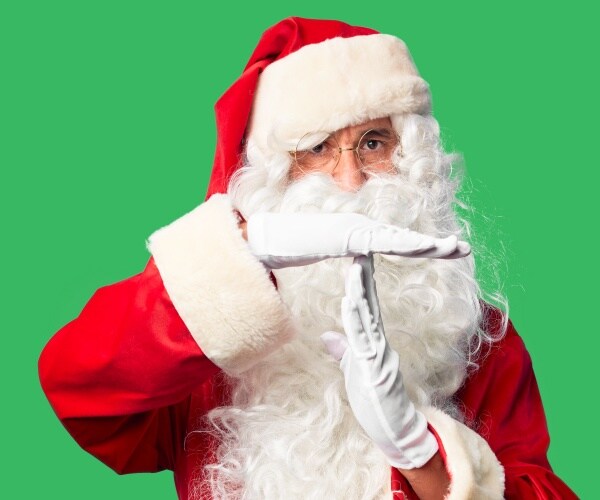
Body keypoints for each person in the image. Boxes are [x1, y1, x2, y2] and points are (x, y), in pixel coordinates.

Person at [39, 17, 577, 499]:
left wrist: (420, 454)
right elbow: (84, 394)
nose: (349, 180)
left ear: (413, 157)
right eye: (316, 147)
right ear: (272, 172)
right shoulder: (205, 341)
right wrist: (238, 258)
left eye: (372, 143)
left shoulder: (474, 331)